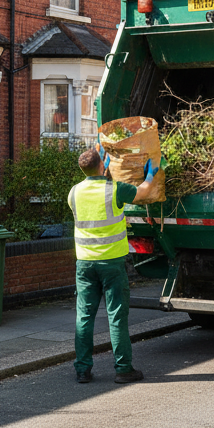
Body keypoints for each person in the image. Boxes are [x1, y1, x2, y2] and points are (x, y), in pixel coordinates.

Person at [69, 144, 158, 385]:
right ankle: (123, 369)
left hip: (85, 264)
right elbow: (143, 192)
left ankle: (82, 370)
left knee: (84, 317)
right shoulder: (115, 189)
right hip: (112, 264)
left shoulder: (74, 192)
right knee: (116, 316)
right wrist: (151, 172)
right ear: (102, 166)